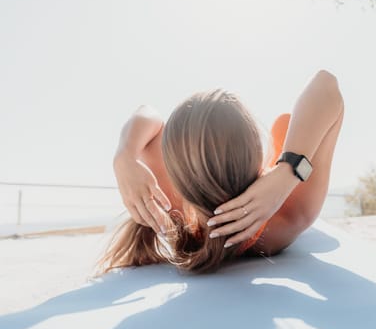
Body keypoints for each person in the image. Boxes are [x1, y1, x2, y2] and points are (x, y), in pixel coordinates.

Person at [96, 69, 344, 274]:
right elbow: (326, 83)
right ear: (259, 155)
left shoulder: (167, 205)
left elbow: (148, 112)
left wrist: (124, 155)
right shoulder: (286, 219)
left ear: (175, 175)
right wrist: (286, 173)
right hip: (278, 187)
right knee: (285, 124)